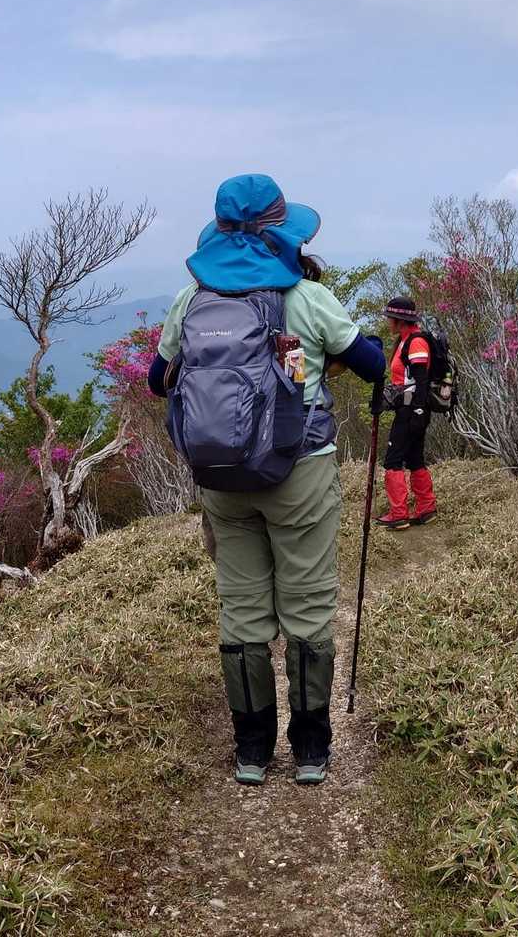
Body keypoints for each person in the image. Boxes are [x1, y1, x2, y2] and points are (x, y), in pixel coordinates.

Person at [147, 173, 384, 787]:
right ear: (281, 233)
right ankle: (310, 750)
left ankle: (251, 751)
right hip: (300, 471)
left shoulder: (191, 300)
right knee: (307, 608)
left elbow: (156, 379)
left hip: (222, 478)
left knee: (243, 610)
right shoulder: (306, 296)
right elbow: (372, 363)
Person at [375, 295, 437, 530]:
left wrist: (418, 412)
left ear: (399, 320)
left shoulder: (415, 342)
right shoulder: (405, 340)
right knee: (414, 458)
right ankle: (426, 508)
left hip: (411, 411)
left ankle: (399, 513)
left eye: (390, 317)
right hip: (412, 409)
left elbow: (421, 380)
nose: (387, 321)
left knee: (393, 460)